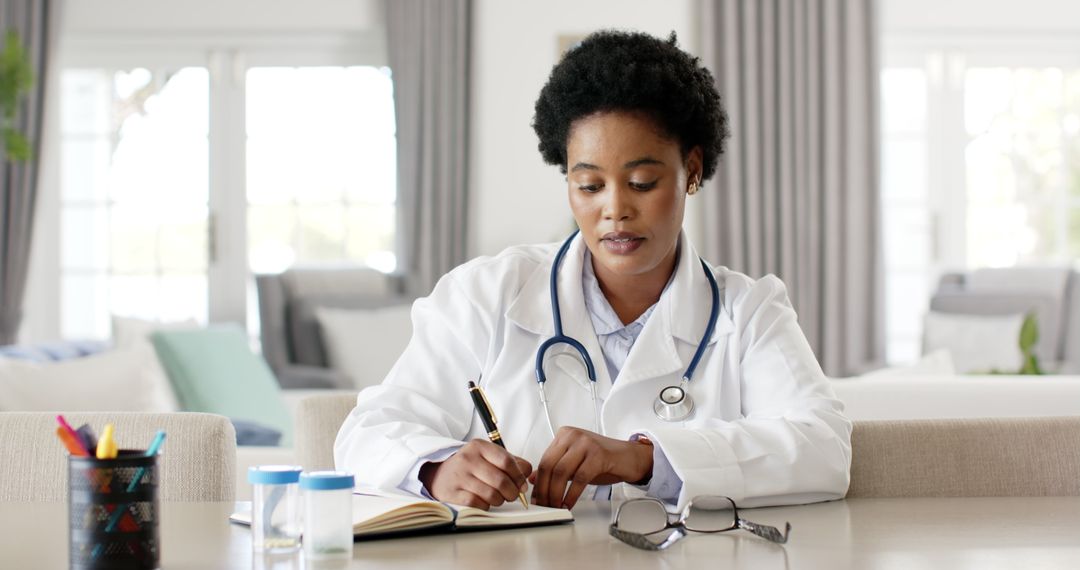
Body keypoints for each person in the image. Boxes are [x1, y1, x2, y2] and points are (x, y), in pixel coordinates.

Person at [334, 30, 851, 512]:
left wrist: (644, 459)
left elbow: (824, 447)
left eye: (643, 182)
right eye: (589, 185)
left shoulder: (749, 310)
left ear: (691, 170)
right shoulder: (487, 293)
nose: (615, 209)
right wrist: (435, 468)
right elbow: (368, 431)